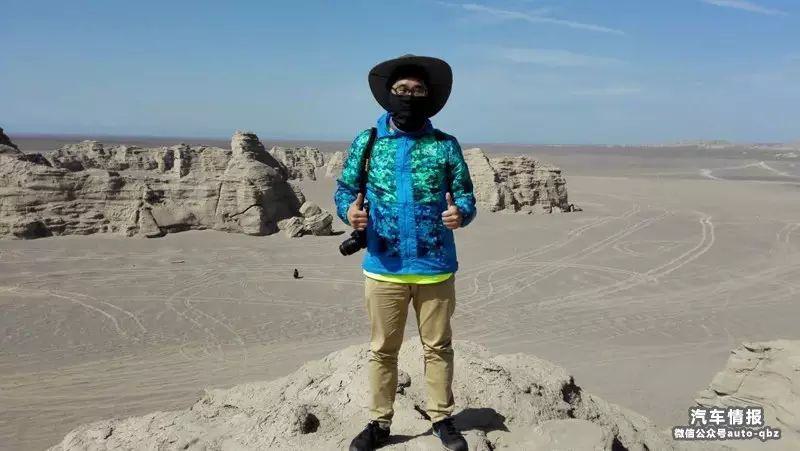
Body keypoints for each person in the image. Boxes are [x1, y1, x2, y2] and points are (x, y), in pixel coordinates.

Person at [335, 54, 476, 451]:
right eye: (401, 90)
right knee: (383, 350)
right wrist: (349, 211)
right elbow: (345, 189)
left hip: (435, 267)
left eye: (417, 90)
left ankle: (441, 419)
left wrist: (461, 213)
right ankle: (379, 423)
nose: (409, 97)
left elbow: (465, 194)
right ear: (388, 94)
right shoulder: (368, 142)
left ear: (428, 97)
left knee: (438, 348)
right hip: (384, 267)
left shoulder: (444, 145)